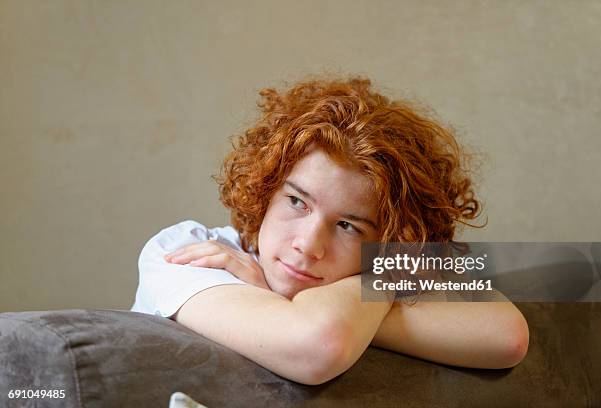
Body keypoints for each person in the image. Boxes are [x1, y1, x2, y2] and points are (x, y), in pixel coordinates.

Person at [131, 77, 529, 385]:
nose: (307, 245)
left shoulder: (374, 275)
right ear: (265, 189)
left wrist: (382, 273)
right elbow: (319, 346)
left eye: (347, 226)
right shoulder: (189, 251)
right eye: (297, 202)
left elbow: (506, 335)